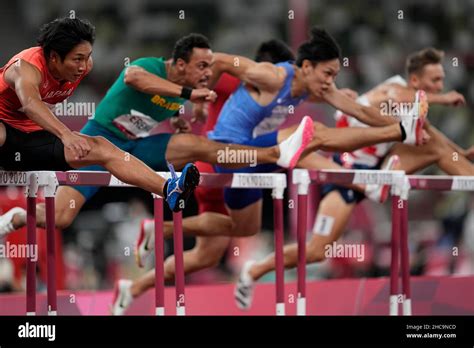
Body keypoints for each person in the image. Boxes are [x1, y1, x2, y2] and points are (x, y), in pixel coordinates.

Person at [0, 33, 319, 237]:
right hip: (102, 143)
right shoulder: (149, 67)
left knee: (199, 146)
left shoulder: (183, 92)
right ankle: (16, 217)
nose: (208, 73)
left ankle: (275, 154)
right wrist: (187, 94)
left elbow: (158, 105)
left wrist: (180, 116)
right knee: (61, 218)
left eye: (210, 66)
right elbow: (135, 79)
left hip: (137, 148)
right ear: (180, 64)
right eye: (202, 66)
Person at [235, 47, 474, 310]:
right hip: (345, 176)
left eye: (442, 80)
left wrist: (461, 152)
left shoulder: (416, 110)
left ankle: (385, 180)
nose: (441, 86)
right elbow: (396, 96)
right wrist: (444, 99)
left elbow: (436, 139)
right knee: (316, 251)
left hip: (379, 169)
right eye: (435, 81)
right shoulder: (388, 92)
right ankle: (254, 270)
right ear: (416, 82)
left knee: (435, 147)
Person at [111, 39, 297, 315]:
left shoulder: (278, 99)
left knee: (205, 255)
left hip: (233, 167)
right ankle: (162, 229)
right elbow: (208, 72)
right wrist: (196, 104)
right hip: (217, 164)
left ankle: (135, 286)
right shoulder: (239, 84)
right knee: (245, 227)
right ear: (267, 68)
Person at [0, 17, 200, 237]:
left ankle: (169, 189)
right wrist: (66, 134)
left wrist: (173, 113)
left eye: (87, 58)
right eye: (77, 59)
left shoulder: (83, 68)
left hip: (32, 141)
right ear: (54, 57)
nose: (84, 66)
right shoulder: (24, 67)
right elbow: (30, 104)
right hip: (5, 134)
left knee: (103, 147)